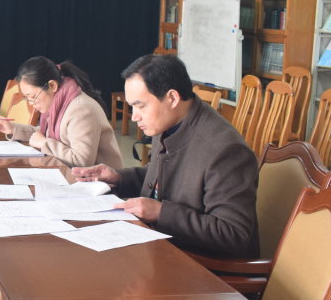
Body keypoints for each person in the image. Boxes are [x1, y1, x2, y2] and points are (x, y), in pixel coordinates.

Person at [73, 54, 258, 258]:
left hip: (203, 264)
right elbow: (164, 176)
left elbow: (233, 233)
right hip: (163, 246)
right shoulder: (171, 121)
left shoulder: (225, 150)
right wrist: (119, 178)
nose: (134, 116)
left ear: (172, 98)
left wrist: (161, 212)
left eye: (141, 106)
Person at [0, 57, 123, 169]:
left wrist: (45, 143)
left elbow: (82, 161)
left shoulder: (81, 109)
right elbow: (45, 134)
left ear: (52, 86)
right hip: (75, 176)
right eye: (27, 98)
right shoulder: (59, 101)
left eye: (33, 97)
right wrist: (12, 129)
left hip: (103, 185)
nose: (31, 104)